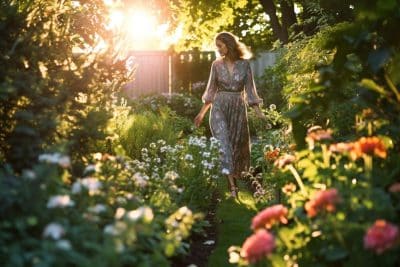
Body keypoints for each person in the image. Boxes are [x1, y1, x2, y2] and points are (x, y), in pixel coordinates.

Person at [194, 32, 265, 198]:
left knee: (237, 146)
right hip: (219, 107)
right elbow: (211, 90)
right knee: (224, 144)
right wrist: (201, 114)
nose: (218, 49)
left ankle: (234, 179)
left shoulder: (244, 65)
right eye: (216, 46)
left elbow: (250, 91)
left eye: (220, 46)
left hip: (238, 108)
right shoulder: (216, 65)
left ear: (229, 44)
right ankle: (233, 188)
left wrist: (259, 114)